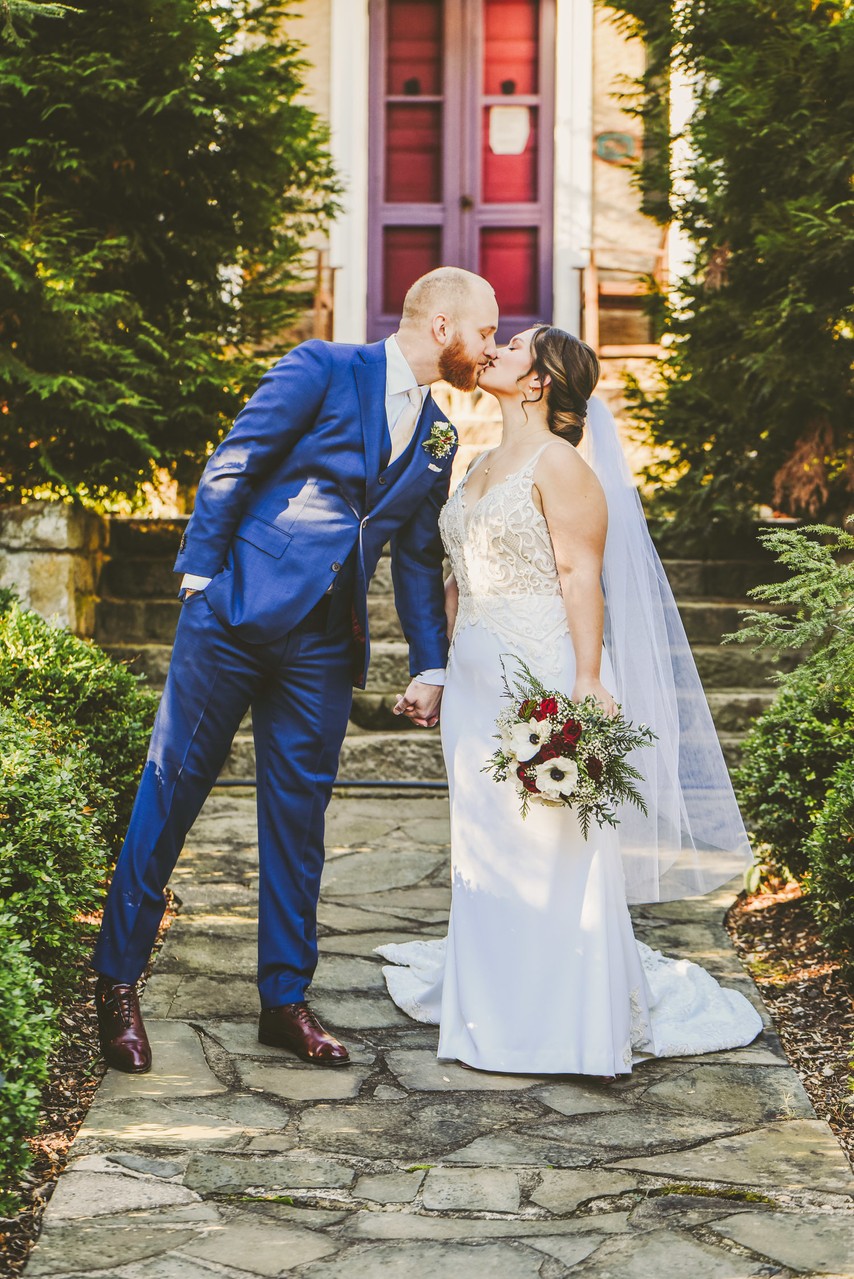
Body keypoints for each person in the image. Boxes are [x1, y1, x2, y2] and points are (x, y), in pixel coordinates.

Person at [92, 267, 499, 1074]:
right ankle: (117, 980)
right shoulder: (322, 367)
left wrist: (432, 661)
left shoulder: (441, 437)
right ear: (443, 325)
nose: (491, 347)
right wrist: (201, 579)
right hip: (233, 619)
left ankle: (284, 999)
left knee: (299, 819)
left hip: (324, 648)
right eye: (486, 331)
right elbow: (236, 459)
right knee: (170, 791)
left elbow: (417, 559)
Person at [379, 325, 763, 1076]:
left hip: (545, 669)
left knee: (551, 842)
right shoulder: (478, 461)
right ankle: (492, 1006)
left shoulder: (561, 465)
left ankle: (561, 1023)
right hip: (477, 676)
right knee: (486, 842)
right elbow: (458, 579)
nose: (496, 348)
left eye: (515, 345)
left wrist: (587, 680)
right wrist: (438, 671)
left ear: (539, 382)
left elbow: (580, 575)